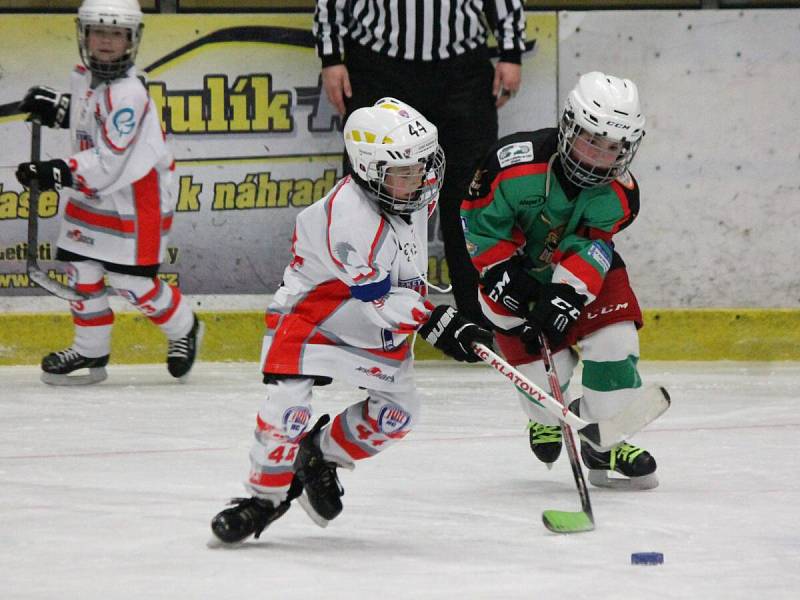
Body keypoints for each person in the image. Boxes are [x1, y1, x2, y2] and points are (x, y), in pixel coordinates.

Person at [210, 98, 492, 544]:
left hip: (383, 314)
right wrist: (436, 320)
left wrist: (446, 320)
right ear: (369, 170)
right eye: (404, 172)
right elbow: (376, 299)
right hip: (318, 314)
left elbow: (401, 279)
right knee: (288, 409)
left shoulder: (413, 193)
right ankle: (262, 501)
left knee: (398, 414)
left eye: (422, 166)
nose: (418, 179)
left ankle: (318, 457)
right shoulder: (348, 218)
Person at [462, 72, 660, 489]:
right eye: (591, 140)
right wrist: (501, 271)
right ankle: (546, 418)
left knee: (615, 343)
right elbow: (479, 224)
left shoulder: (620, 194)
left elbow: (594, 246)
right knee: (541, 381)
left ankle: (606, 439)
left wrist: (567, 293)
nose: (599, 157)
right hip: (514, 271)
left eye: (613, 148)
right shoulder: (510, 164)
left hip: (585, 274)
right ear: (568, 126)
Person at [15, 0, 202, 386]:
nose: (105, 41)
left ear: (131, 40)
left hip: (138, 200)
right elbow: (91, 120)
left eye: (116, 34)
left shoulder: (130, 93)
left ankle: (184, 328)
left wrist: (56, 171)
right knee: (82, 271)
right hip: (94, 193)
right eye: (98, 31)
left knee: (130, 282)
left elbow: (111, 158)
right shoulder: (83, 76)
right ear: (83, 34)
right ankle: (90, 347)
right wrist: (60, 110)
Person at [314, 0, 527, 326]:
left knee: (471, 196)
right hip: (378, 66)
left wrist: (511, 52)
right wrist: (330, 57)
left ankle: (478, 319)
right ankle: (360, 319)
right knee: (370, 195)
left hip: (461, 71)